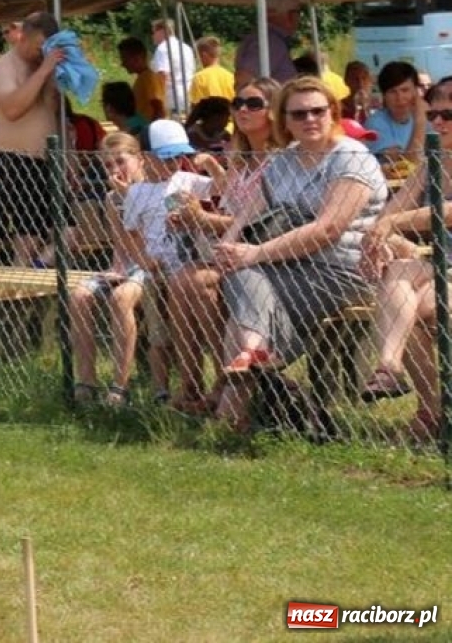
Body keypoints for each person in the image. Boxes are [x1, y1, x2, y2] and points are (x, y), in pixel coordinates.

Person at [211, 76, 388, 431]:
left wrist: (255, 252)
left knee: (247, 293)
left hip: (342, 271)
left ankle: (231, 407)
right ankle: (254, 358)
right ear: (285, 120)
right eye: (299, 113)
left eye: (318, 111)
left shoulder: (352, 157)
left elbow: (328, 230)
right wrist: (228, 245)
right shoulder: (284, 160)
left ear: (333, 112)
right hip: (286, 264)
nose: (310, 119)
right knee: (238, 275)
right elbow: (251, 211)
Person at [165, 77, 282, 415]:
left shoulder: (278, 162)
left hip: (264, 254)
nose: (243, 109)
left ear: (272, 111)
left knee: (197, 283)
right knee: (181, 281)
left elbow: (258, 225)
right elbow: (231, 215)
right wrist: (192, 215)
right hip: (229, 254)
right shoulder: (242, 159)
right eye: (238, 103)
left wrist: (201, 219)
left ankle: (221, 384)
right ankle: (190, 384)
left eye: (254, 103)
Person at [69, 125, 193, 407]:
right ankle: (86, 381)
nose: (115, 169)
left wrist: (130, 199)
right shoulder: (112, 197)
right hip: (128, 264)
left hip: (154, 263)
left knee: (121, 297)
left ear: (140, 159)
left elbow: (154, 240)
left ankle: (120, 386)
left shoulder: (160, 189)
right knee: (79, 295)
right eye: (108, 164)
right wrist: (115, 268)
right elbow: (119, 243)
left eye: (121, 161)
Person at [358, 79, 452, 405]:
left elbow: (445, 213)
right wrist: (390, 240)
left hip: (440, 272)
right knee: (404, 301)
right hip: (437, 272)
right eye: (433, 114)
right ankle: (429, 410)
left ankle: (393, 372)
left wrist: (391, 226)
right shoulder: (431, 165)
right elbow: (388, 214)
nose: (438, 122)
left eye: (447, 115)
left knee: (401, 295)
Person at [0, 10, 64, 267]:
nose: (41, 52)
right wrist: (43, 71)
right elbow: (12, 109)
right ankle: (20, 281)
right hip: (15, 159)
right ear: (23, 37)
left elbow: (54, 111)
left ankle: (37, 270)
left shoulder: (41, 66)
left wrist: (53, 76)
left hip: (47, 158)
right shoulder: (3, 67)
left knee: (69, 231)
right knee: (28, 236)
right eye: (39, 46)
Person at [362, 60, 424, 164]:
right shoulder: (375, 123)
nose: (400, 98)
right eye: (392, 92)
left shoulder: (435, 118)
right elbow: (407, 165)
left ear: (416, 91)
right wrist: (420, 122)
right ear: (384, 96)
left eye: (405, 90)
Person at [235, 0, 300, 88]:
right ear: (290, 16)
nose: (298, 18)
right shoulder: (271, 42)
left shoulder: (267, 39)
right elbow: (245, 77)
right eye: (297, 12)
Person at [150, 19, 197, 118]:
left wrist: (160, 100)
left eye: (154, 32)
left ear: (163, 31)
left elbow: (163, 75)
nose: (152, 36)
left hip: (172, 98)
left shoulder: (163, 48)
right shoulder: (186, 48)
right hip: (188, 95)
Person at [117, 37, 166, 122]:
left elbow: (158, 108)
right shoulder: (143, 78)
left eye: (125, 58)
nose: (123, 64)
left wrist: (151, 130)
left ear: (137, 58)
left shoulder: (148, 78)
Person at [188, 36, 235, 107]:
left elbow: (195, 105)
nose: (197, 59)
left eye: (197, 56)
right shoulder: (231, 76)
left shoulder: (199, 77)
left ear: (204, 55)